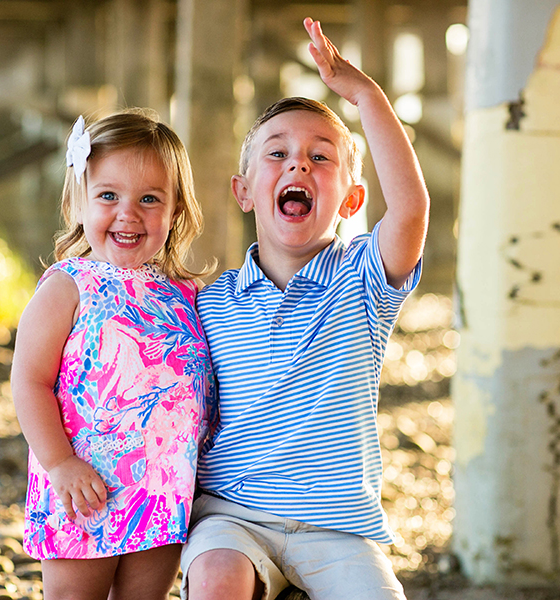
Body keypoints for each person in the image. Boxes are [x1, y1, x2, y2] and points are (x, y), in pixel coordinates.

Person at [182, 17, 429, 600]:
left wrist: (366, 95)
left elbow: (412, 210)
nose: (298, 166)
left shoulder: (364, 280)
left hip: (340, 529)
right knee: (216, 577)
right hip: (233, 517)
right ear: (244, 192)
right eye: (278, 154)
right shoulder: (210, 300)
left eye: (321, 158)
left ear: (350, 199)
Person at [11, 108, 216, 600]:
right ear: (77, 203)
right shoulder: (68, 286)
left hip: (164, 491)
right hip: (83, 487)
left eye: (150, 199)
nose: (128, 213)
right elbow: (29, 381)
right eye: (108, 196)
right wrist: (59, 463)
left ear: (176, 212)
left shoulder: (184, 294)